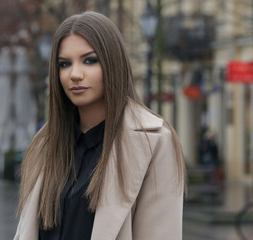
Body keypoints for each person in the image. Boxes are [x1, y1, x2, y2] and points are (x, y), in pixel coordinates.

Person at [14, 11, 186, 240]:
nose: (74, 74)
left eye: (89, 60)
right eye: (64, 64)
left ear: (112, 63)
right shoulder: (44, 144)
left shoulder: (153, 140)